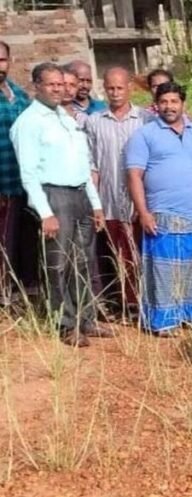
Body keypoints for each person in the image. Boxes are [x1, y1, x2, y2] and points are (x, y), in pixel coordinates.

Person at [10, 62, 112, 346]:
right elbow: (28, 173)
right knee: (57, 264)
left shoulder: (65, 118)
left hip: (80, 194)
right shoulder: (29, 123)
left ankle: (87, 319)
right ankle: (65, 324)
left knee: (82, 261)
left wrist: (96, 204)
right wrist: (45, 213)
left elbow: (82, 165)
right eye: (51, 84)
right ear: (37, 86)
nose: (58, 89)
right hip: (54, 196)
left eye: (61, 83)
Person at [125, 82, 192, 336]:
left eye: (174, 101)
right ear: (156, 105)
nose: (169, 106)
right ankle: (164, 322)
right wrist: (143, 212)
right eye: (164, 102)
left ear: (183, 104)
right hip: (161, 214)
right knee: (163, 269)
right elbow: (134, 176)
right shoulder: (144, 135)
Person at [85, 66, 147, 318]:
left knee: (137, 254)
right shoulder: (94, 122)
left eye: (120, 87)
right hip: (108, 201)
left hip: (138, 203)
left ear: (130, 88)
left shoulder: (145, 120)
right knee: (113, 255)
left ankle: (138, 303)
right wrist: (95, 203)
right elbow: (92, 165)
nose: (115, 93)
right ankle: (118, 303)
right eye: (110, 88)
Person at [0, 40, 38, 306]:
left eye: (2, 60)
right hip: (1, 184)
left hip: (24, 185)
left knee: (23, 243)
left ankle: (23, 293)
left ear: (9, 61)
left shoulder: (20, 96)